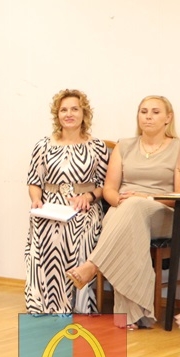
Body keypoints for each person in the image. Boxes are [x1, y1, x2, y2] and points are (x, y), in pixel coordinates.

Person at [66, 95, 180, 329]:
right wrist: (119, 200)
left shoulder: (178, 148)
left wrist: (144, 198)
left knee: (133, 207)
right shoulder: (124, 146)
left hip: (163, 212)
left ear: (168, 118)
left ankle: (93, 266)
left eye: (155, 112)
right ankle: (134, 316)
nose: (148, 117)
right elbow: (109, 188)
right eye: (143, 111)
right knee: (128, 215)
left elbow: (178, 195)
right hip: (125, 209)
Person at [24, 89, 109, 314]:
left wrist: (88, 197)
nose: (69, 114)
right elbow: (34, 181)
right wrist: (36, 201)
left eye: (74, 109)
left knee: (77, 229)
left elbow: (104, 185)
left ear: (84, 113)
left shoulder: (97, 146)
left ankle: (77, 303)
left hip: (84, 207)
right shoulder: (43, 145)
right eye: (64, 110)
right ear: (57, 114)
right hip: (50, 206)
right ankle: (44, 304)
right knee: (44, 230)